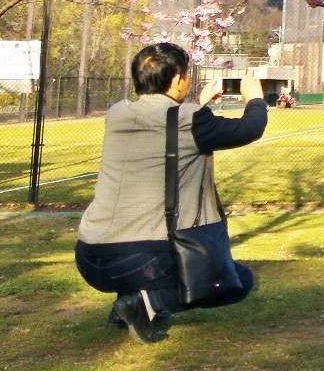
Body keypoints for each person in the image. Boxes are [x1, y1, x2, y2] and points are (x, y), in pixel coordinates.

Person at [75, 43, 268, 344]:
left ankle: (130, 303)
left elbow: (169, 127)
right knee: (238, 282)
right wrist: (255, 97)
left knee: (147, 259)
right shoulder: (190, 120)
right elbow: (250, 128)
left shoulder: (117, 115)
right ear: (178, 79)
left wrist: (199, 105)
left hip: (90, 257)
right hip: (144, 257)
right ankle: (147, 303)